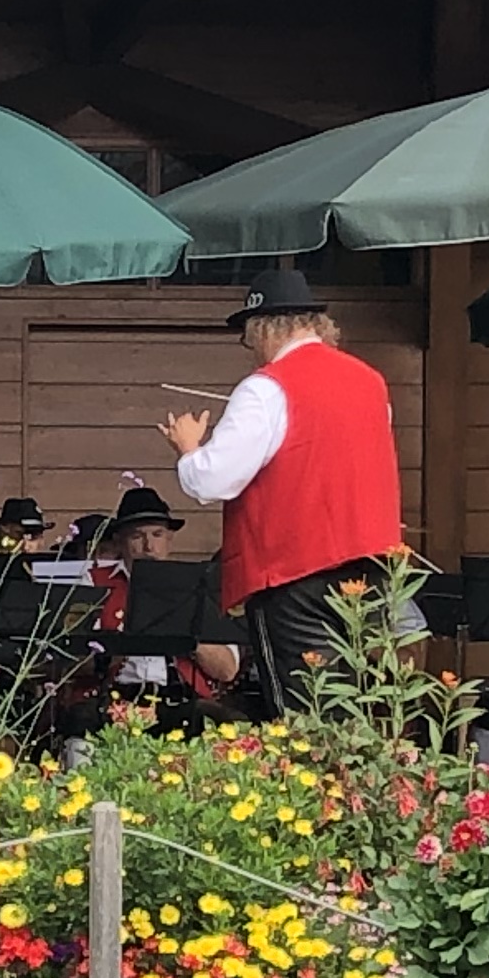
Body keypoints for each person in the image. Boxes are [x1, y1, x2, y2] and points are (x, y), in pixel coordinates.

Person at [159, 265, 404, 715]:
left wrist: (189, 449)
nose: (250, 350)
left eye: (249, 337)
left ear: (264, 327)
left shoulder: (266, 388)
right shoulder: (370, 382)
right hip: (370, 568)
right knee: (354, 701)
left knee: (302, 710)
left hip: (295, 572)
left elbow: (213, 480)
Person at [94, 482, 242, 706]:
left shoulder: (197, 583)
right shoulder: (93, 582)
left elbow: (227, 670)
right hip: (116, 698)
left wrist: (185, 635)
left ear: (169, 539)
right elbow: (73, 663)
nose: (149, 546)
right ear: (119, 542)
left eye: (157, 534)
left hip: (184, 699)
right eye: (137, 536)